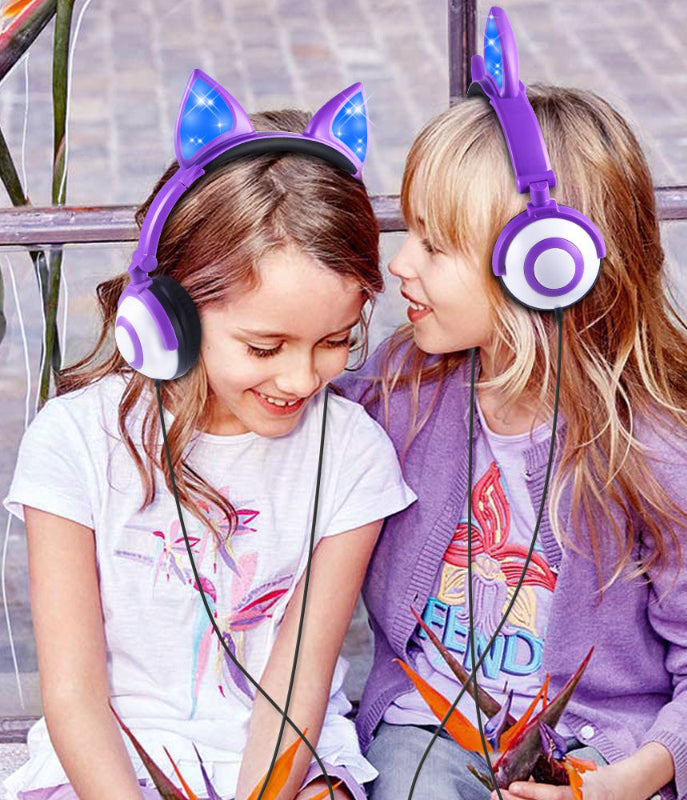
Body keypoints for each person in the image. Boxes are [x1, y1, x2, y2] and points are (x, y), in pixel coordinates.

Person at [338, 80, 687, 800]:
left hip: (596, 749)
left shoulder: (659, 459)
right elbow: (302, 423)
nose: (400, 263)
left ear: (546, 265)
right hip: (428, 729)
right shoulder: (404, 386)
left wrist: (633, 778)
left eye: (434, 245)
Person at [2, 79, 416, 800]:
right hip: (110, 765)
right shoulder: (71, 442)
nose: (301, 378)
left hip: (286, 762)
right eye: (264, 347)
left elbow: (295, 687)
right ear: (169, 315)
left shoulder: (352, 454)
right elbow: (72, 696)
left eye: (334, 342)